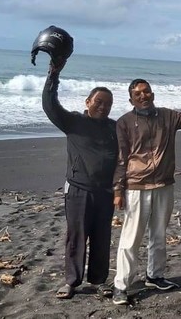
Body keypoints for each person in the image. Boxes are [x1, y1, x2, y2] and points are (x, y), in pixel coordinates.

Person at [111, 78, 181, 305]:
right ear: (131, 99)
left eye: (147, 91)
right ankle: (121, 286)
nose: (144, 96)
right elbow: (121, 158)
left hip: (164, 184)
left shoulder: (168, 116)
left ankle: (155, 276)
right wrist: (118, 190)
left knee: (159, 234)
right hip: (136, 186)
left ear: (153, 93)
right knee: (131, 239)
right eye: (138, 93)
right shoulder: (124, 122)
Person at [42, 58, 118, 300]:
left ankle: (98, 281)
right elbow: (50, 106)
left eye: (108, 104)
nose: (103, 107)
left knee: (102, 237)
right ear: (87, 102)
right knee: (76, 237)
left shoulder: (115, 128)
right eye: (98, 102)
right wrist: (52, 76)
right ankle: (71, 282)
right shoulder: (74, 122)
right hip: (78, 191)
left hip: (105, 192)